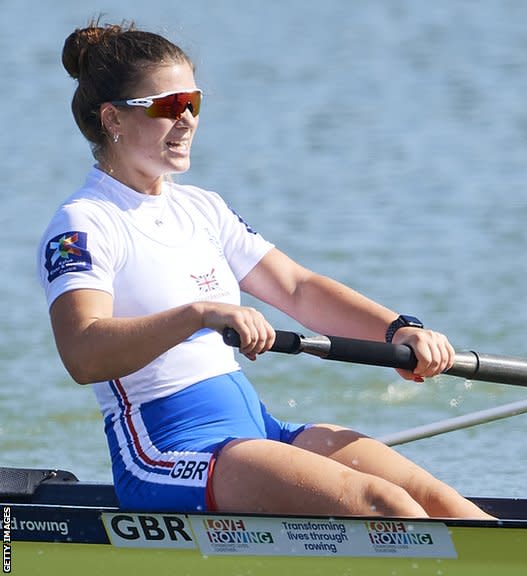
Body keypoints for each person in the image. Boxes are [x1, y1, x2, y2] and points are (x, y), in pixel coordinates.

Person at [38, 20, 492, 519]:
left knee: (448, 509)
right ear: (113, 119)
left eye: (194, 103)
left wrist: (397, 330)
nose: (187, 119)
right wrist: (198, 315)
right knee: (384, 506)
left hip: (256, 429)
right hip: (165, 453)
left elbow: (297, 289)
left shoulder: (203, 208)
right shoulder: (83, 224)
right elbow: (83, 353)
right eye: (168, 106)